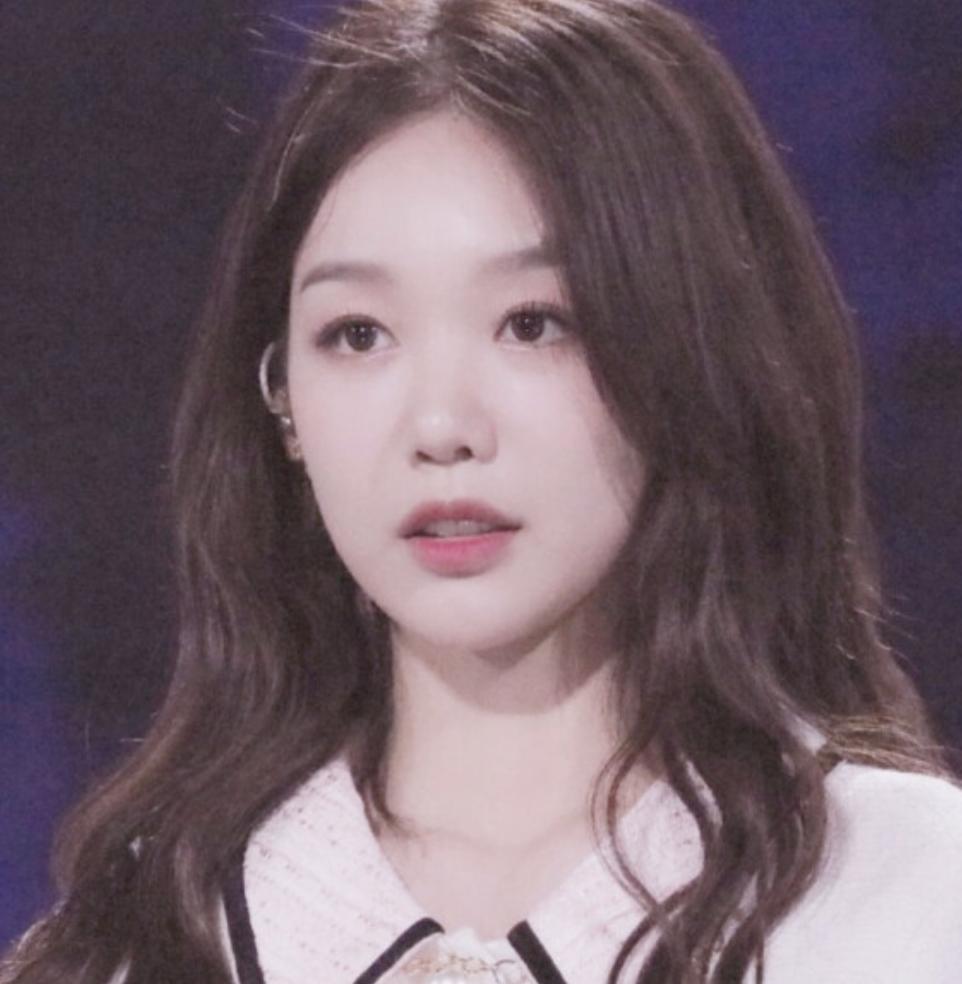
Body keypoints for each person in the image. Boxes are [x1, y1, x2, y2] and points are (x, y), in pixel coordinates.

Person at [4, 1, 962, 981]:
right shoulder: (134, 942)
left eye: (532, 323)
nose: (440, 426)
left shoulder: (902, 899)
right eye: (358, 335)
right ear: (280, 400)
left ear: (687, 348)